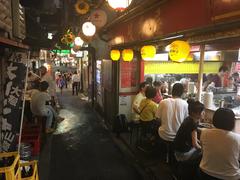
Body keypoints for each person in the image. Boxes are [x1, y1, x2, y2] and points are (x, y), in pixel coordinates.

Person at [199, 108, 240, 180]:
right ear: (232, 122)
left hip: (205, 172)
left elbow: (203, 151)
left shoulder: (204, 133)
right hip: (230, 176)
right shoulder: (237, 138)